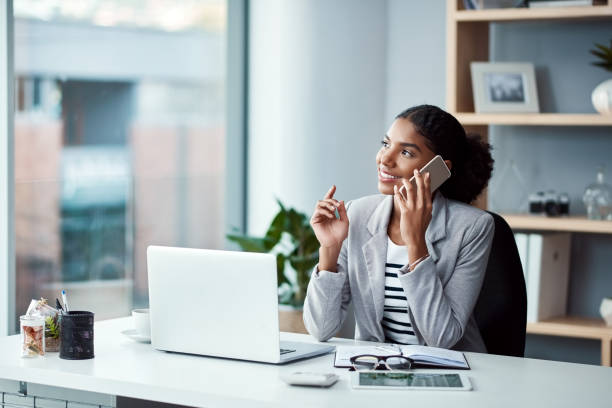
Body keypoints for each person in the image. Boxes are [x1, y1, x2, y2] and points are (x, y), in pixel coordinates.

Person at [303, 104, 495, 352]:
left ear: (439, 169)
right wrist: (329, 249)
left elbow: (442, 339)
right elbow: (321, 329)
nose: (385, 159)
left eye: (405, 152)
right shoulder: (357, 215)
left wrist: (416, 242)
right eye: (385, 144)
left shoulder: (472, 228)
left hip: (446, 373)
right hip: (375, 368)